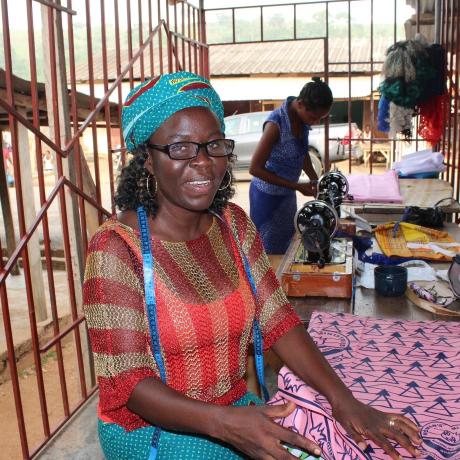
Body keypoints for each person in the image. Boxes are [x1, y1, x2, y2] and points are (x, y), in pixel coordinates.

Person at [83, 71, 421, 460]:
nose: (204, 163)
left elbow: (279, 321)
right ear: (146, 159)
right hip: (150, 431)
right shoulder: (115, 250)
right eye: (181, 149)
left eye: (214, 146)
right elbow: (130, 382)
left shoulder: (234, 226)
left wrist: (345, 401)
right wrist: (226, 424)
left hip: (233, 409)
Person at [249, 78, 333, 254]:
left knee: (287, 244)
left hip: (287, 195)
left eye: (320, 119)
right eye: (313, 117)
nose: (315, 122)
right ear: (300, 104)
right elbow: (254, 168)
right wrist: (297, 186)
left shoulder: (301, 120)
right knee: (267, 251)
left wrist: (315, 180)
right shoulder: (275, 124)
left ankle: (284, 281)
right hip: (266, 199)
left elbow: (301, 153)